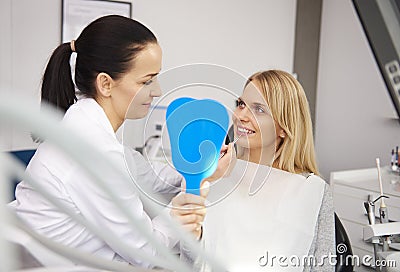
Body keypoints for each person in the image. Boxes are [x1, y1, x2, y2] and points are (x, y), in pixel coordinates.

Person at [8, 15, 234, 269]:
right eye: (146, 80)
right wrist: (180, 212)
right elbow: (144, 252)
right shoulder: (93, 151)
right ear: (105, 83)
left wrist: (201, 169)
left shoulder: (86, 127)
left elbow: (146, 177)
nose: (157, 90)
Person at [194, 70, 335, 271]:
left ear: (283, 127)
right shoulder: (217, 173)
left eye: (258, 109)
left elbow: (322, 267)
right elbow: (191, 254)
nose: (241, 116)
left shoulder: (312, 191)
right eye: (241, 104)